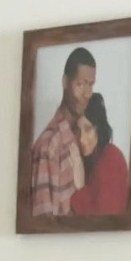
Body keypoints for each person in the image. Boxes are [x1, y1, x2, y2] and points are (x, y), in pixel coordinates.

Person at [30, 45, 96, 217]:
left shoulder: (86, 136)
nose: (87, 93)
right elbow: (41, 226)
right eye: (80, 84)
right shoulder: (49, 145)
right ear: (65, 82)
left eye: (91, 85)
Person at [68, 92, 129, 217]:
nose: (81, 139)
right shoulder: (90, 157)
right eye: (78, 130)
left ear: (100, 128)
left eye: (88, 129)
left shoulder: (112, 158)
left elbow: (105, 221)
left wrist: (80, 187)